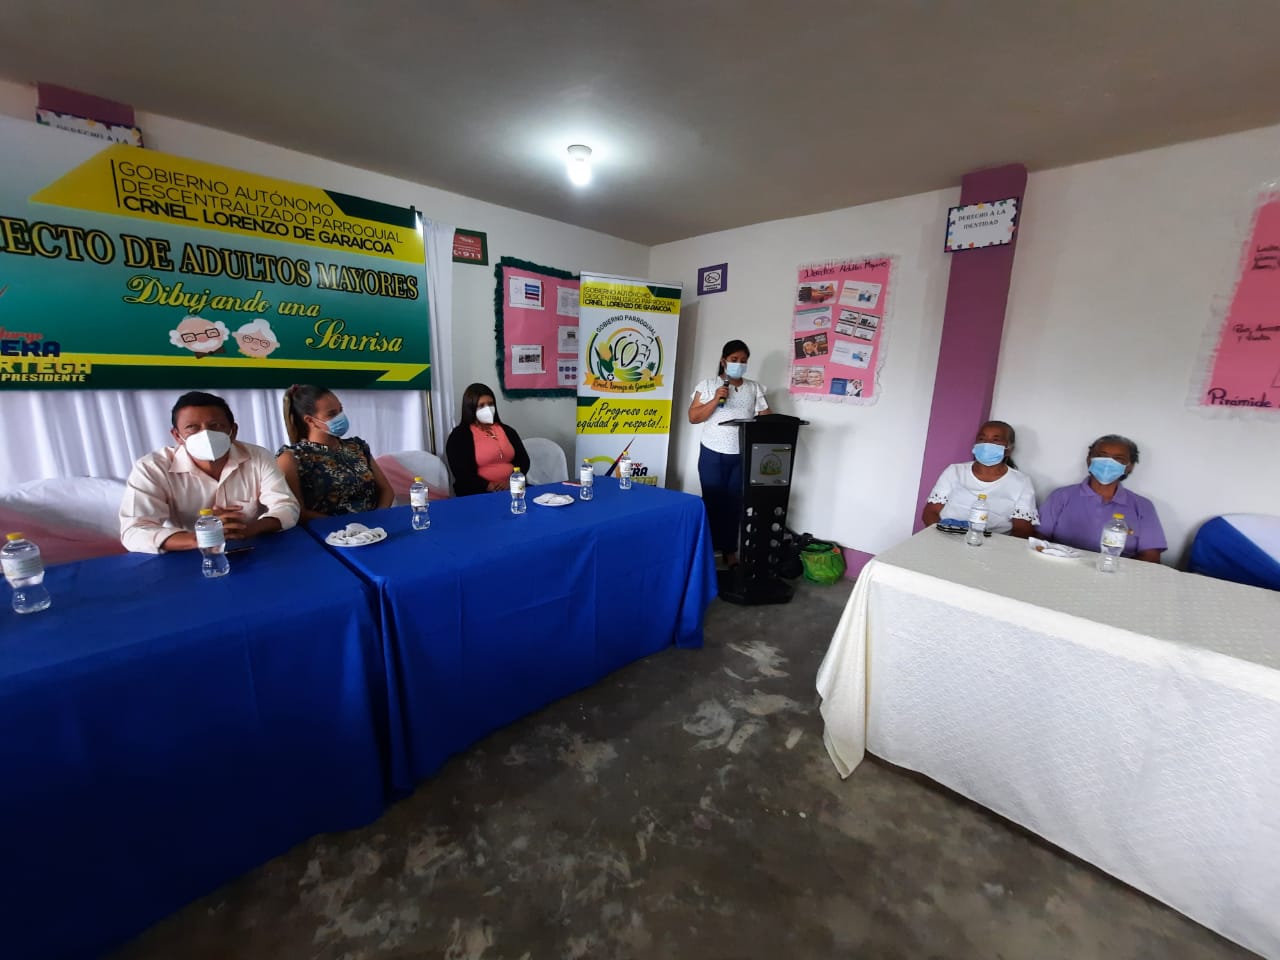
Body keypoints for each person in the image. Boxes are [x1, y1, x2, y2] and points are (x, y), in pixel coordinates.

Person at [119, 390, 299, 553]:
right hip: (188, 555)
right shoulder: (152, 468)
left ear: (233, 431)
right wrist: (202, 538)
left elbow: (286, 506)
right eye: (193, 428)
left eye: (216, 426)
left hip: (253, 546)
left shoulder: (258, 457)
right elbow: (134, 531)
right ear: (177, 436)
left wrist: (248, 529)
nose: (205, 435)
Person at [688, 339, 771, 566]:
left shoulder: (754, 388)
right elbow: (693, 417)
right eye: (734, 359)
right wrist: (716, 398)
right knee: (712, 502)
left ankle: (729, 550)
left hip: (741, 455)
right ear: (723, 361)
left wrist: (769, 424)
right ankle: (706, 550)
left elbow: (767, 418)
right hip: (712, 453)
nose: (739, 364)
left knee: (735, 503)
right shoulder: (708, 385)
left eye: (743, 361)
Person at [1037, 434, 1167, 562]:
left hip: (1115, 572)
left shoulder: (1143, 506)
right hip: (1062, 566)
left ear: (1129, 467)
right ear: (1089, 460)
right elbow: (1038, 540)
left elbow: (1151, 557)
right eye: (1102, 456)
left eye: (1118, 459)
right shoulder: (1061, 496)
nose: (1108, 463)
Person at [276, 384, 394, 520]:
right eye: (332, 414)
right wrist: (348, 528)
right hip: (330, 530)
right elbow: (296, 511)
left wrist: (378, 518)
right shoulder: (292, 457)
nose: (340, 417)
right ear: (310, 420)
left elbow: (386, 490)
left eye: (340, 410)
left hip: (375, 526)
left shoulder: (357, 446)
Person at [921, 420, 1038, 538]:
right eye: (982, 439)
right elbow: (930, 512)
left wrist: (994, 546)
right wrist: (943, 537)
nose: (987, 444)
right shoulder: (955, 471)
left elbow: (1022, 530)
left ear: (1008, 449)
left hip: (992, 544)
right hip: (946, 537)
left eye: (995, 440)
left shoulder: (1021, 482)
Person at [445, 383, 531, 496]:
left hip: (513, 487)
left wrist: (511, 482)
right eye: (481, 406)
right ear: (470, 408)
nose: (488, 409)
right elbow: (462, 472)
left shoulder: (508, 431)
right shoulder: (459, 435)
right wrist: (487, 486)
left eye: (490, 404)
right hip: (478, 492)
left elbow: (524, 461)